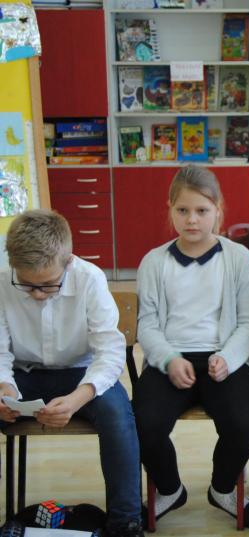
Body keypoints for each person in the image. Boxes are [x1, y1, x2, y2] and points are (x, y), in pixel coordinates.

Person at [132, 164, 249, 529]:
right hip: (170, 359)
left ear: (218, 210)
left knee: (242, 421)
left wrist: (227, 358)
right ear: (171, 210)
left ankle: (223, 489)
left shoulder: (237, 258)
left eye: (202, 210)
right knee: (143, 421)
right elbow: (147, 325)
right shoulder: (154, 262)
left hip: (224, 357)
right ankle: (170, 490)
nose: (192, 220)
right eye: (183, 210)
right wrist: (169, 359)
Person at [0, 209, 143, 537]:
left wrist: (78, 398)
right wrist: (4, 387)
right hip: (23, 374)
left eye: (48, 284)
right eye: (27, 285)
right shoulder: (3, 281)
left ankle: (125, 523)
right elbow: (0, 351)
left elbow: (109, 354)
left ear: (69, 262)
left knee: (118, 415)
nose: (38, 294)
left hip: (82, 373)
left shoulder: (90, 278)